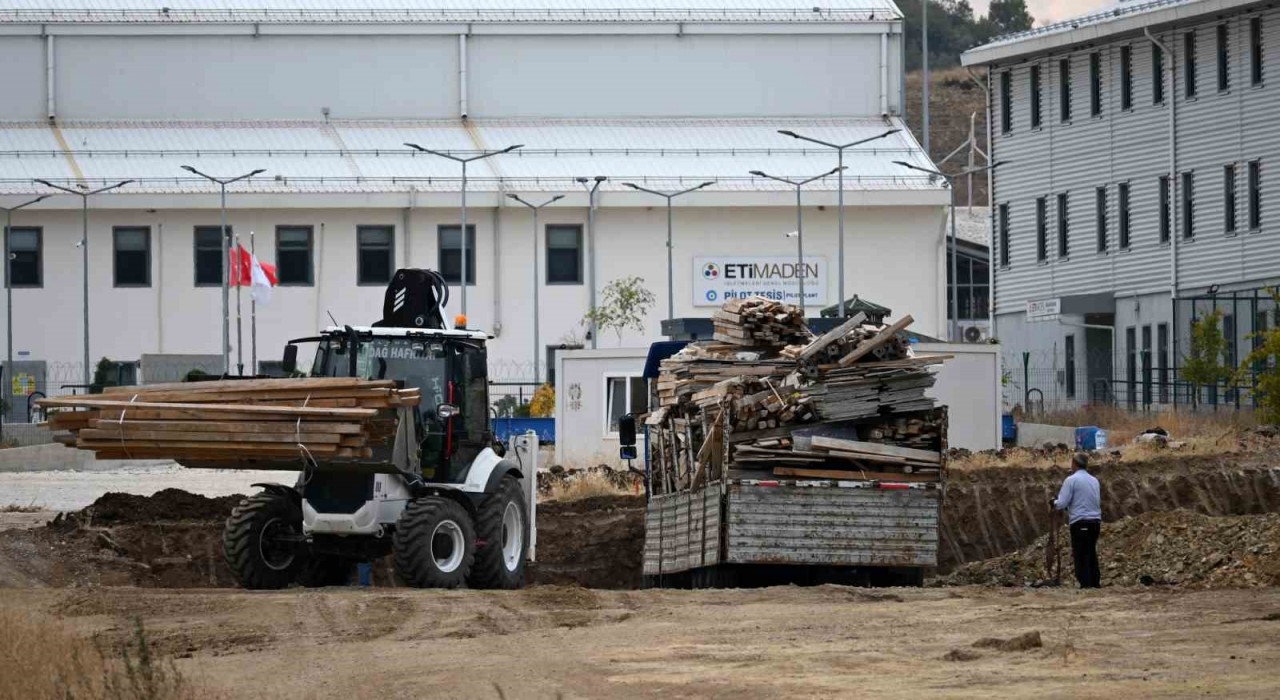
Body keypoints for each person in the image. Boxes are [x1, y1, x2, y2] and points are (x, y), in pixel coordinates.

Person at [1053, 452, 1102, 588]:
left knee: (1081, 553)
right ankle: (1095, 582)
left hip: (1080, 521)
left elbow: (1062, 503)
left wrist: (1054, 503)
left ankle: (1085, 584)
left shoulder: (1071, 480)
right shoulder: (1094, 480)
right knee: (1091, 552)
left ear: (1074, 464)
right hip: (1095, 522)